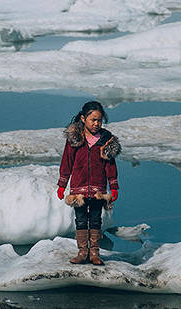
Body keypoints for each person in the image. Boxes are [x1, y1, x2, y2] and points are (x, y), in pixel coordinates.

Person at [56, 100, 121, 265]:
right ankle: (82, 252)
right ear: (84, 119)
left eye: (99, 120)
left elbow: (110, 165)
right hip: (79, 188)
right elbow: (67, 162)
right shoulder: (75, 138)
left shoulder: (106, 139)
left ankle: (94, 253)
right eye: (93, 120)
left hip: (98, 188)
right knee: (81, 219)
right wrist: (62, 184)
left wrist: (113, 186)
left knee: (96, 219)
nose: (97, 123)